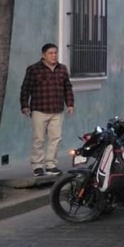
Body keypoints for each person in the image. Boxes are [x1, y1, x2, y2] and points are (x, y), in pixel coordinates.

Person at [20, 43, 74, 177]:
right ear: (43, 55)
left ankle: (51, 164)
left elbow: (67, 88)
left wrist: (70, 104)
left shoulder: (62, 69)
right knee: (39, 138)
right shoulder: (34, 69)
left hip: (57, 109)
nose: (54, 55)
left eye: (55, 53)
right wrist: (24, 105)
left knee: (55, 138)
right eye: (51, 53)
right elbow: (25, 88)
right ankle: (37, 165)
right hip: (39, 109)